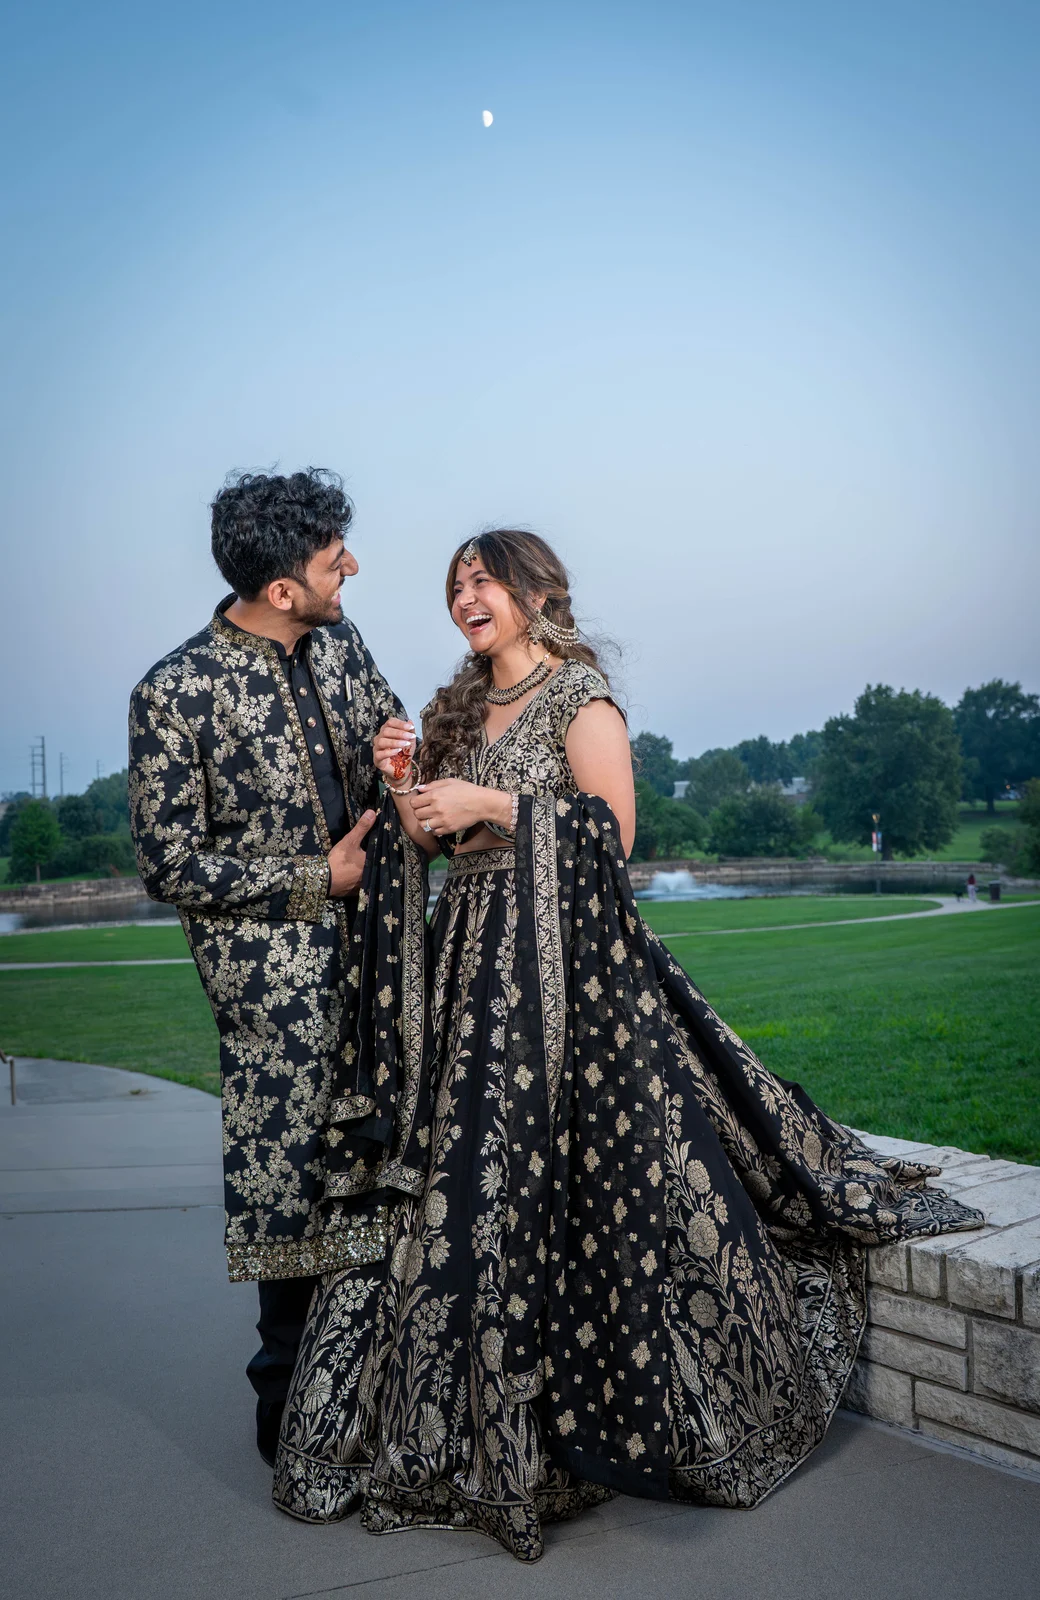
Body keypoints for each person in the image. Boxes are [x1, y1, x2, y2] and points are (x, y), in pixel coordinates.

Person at [271, 529, 983, 1560]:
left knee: (560, 1177)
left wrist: (486, 800)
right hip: (468, 964)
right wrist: (405, 791)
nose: (466, 595)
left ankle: (585, 1417)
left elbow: (611, 834)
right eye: (455, 582)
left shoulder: (580, 699)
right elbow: (432, 842)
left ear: (536, 592)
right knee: (452, 1188)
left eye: (485, 580)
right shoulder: (458, 706)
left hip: (563, 978)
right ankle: (453, 1431)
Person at [128, 469, 403, 1468]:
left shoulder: (344, 645)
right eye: (336, 560)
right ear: (282, 588)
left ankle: (387, 1408)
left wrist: (397, 752)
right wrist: (310, 879)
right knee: (290, 1202)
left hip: (383, 972)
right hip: (271, 1002)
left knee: (386, 1191)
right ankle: (294, 1434)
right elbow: (167, 862)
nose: (353, 570)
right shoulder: (173, 692)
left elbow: (387, 743)